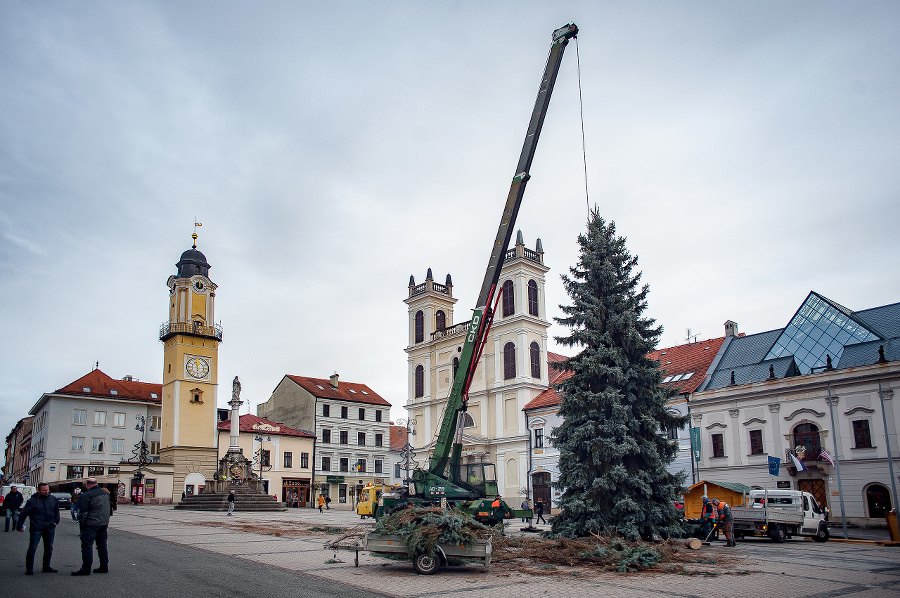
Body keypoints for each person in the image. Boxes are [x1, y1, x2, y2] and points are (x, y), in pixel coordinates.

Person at [17, 482, 60, 574]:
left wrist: (56, 521)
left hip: (50, 526)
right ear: (39, 491)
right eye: (44, 490)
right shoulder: (32, 501)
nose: (46, 492)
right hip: (37, 527)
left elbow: (56, 510)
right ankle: (29, 568)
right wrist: (19, 525)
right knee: (33, 547)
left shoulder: (52, 499)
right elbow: (23, 514)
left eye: (47, 490)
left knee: (49, 547)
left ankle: (46, 566)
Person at [72, 478, 111, 575]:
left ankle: (86, 568)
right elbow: (109, 509)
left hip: (91, 524)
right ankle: (104, 566)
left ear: (87, 485)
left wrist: (82, 526)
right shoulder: (106, 494)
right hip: (103, 523)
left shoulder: (87, 495)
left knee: (87, 546)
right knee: (102, 545)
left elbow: (83, 512)